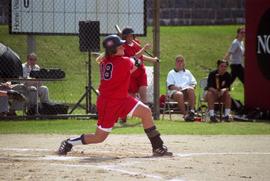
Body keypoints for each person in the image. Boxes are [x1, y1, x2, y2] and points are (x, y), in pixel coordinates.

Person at [58, 35, 172, 157]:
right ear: (113, 50)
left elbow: (126, 71)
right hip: (109, 103)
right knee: (99, 137)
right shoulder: (124, 61)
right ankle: (69, 142)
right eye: (120, 45)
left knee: (146, 112)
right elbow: (133, 62)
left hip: (122, 98)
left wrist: (136, 61)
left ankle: (157, 147)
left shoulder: (105, 61)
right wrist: (138, 61)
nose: (123, 46)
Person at [121, 27, 159, 104]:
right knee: (132, 96)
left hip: (141, 72)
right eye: (128, 36)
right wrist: (144, 49)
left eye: (131, 36)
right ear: (124, 37)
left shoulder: (136, 42)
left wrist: (153, 60)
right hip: (131, 73)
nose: (130, 38)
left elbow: (141, 56)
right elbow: (134, 57)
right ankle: (129, 113)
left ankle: (145, 112)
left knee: (143, 94)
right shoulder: (123, 47)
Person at [166, 55, 197, 121]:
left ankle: (192, 112)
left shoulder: (188, 72)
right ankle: (185, 115)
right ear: (175, 63)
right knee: (179, 94)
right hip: (175, 92)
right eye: (178, 61)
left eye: (181, 61)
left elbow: (194, 83)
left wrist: (191, 87)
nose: (180, 63)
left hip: (186, 91)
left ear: (184, 63)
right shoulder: (171, 73)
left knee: (191, 90)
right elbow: (170, 86)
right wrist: (178, 88)